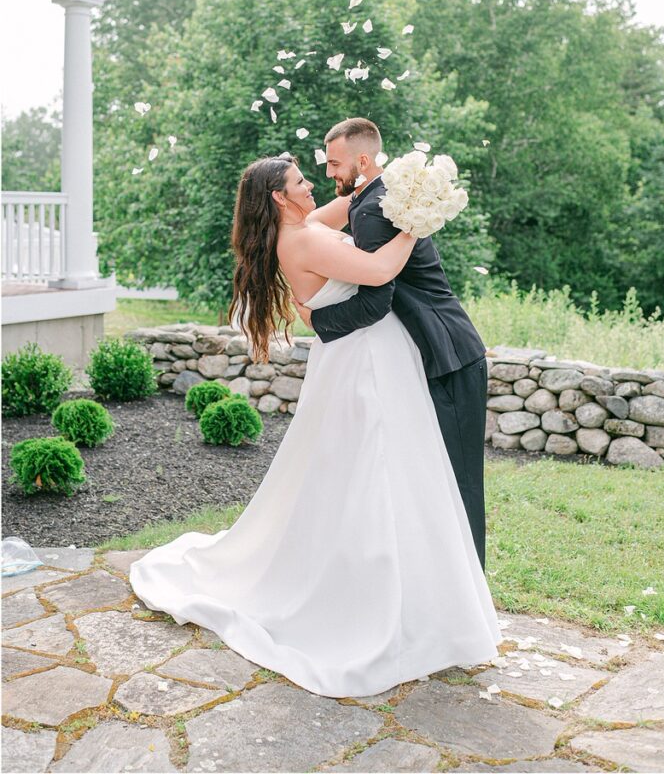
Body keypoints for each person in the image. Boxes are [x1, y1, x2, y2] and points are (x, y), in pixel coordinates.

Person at [129, 152, 502, 699]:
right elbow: (377, 272)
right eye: (302, 181)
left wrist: (403, 188)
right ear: (280, 197)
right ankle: (376, 601)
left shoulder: (303, 226)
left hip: (359, 358)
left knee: (387, 471)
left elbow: (349, 203)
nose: (312, 185)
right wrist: (418, 223)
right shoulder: (302, 240)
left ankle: (415, 588)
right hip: (365, 364)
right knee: (373, 471)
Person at [296, 118, 490, 571]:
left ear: (363, 160)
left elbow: (376, 300)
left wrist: (316, 318)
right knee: (436, 481)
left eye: (335, 163)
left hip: (449, 355)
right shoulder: (370, 197)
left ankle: (469, 588)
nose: (328, 173)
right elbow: (306, 221)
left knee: (459, 482)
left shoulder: (372, 208)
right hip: (438, 353)